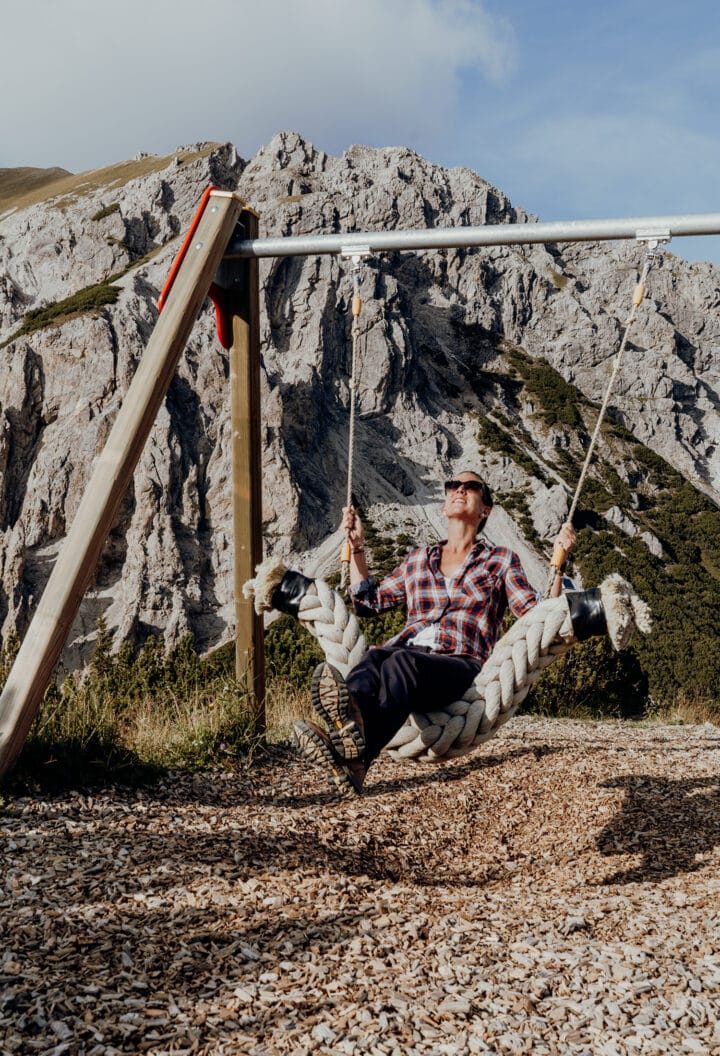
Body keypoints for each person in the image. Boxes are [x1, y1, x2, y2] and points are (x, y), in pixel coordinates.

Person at [293, 470, 576, 797]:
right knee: (375, 660)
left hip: (459, 664)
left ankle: (355, 749)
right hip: (407, 654)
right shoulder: (418, 559)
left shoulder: (499, 560)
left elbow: (535, 615)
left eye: (472, 487)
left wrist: (560, 562)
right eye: (453, 486)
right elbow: (368, 602)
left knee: (399, 663)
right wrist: (357, 548)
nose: (460, 490)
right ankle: (348, 732)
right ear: (444, 505)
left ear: (485, 509)